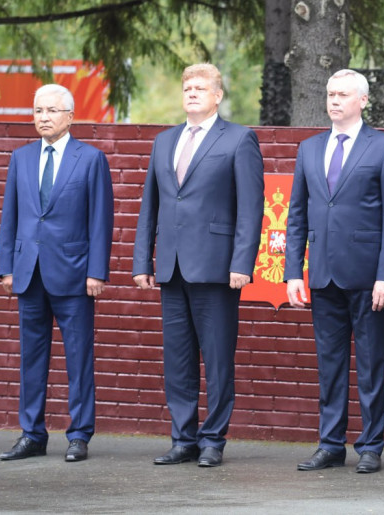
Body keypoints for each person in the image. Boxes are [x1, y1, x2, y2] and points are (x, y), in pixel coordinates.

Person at [132, 63, 264, 468]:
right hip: (171, 267)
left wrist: (242, 262)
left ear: (217, 96)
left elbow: (251, 208)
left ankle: (213, 440)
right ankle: (183, 438)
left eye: (200, 87)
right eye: (187, 87)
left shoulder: (239, 139)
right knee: (178, 359)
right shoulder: (164, 141)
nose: (191, 92)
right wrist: (142, 260)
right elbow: (150, 205)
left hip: (217, 267)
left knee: (218, 359)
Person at [284, 68, 384, 474]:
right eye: (330, 94)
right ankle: (330, 444)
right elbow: (297, 214)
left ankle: (370, 446)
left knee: (371, 365)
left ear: (363, 101)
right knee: (330, 365)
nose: (334, 100)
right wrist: (293, 272)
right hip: (322, 276)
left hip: (368, 278)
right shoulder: (309, 148)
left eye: (342, 94)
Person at [0, 84, 114, 462]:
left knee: (79, 358)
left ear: (70, 116)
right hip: (29, 273)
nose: (43, 117)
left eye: (51, 110)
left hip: (75, 275)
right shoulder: (21, 158)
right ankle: (32, 434)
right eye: (38, 111)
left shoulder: (91, 159)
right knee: (31, 359)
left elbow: (101, 220)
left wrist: (96, 272)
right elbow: (10, 216)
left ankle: (79, 435)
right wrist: (7, 268)